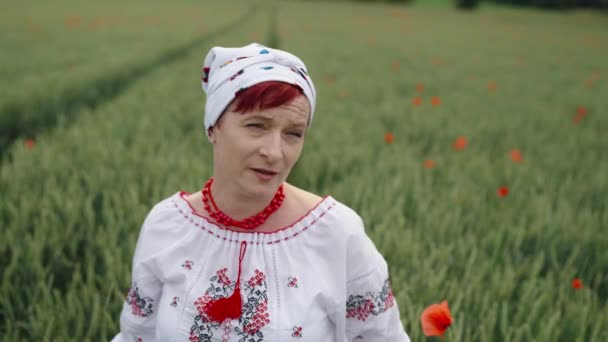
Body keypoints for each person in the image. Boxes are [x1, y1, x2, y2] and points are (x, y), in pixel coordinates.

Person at [111, 43, 410, 342]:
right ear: (213, 127)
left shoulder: (335, 234)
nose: (274, 152)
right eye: (256, 125)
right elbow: (137, 336)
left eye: (293, 134)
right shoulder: (167, 225)